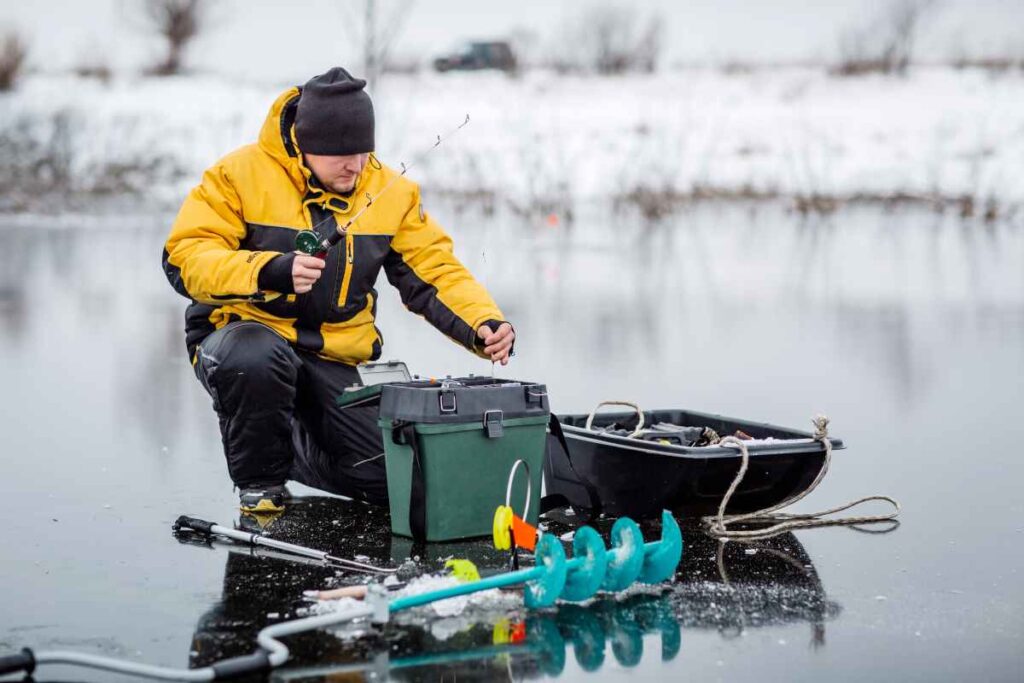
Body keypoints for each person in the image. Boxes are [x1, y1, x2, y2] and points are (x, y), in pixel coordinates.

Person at [162, 67, 514, 514]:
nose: (355, 165)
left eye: (363, 152)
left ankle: (293, 446)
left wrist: (482, 323)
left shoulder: (389, 191)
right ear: (305, 145)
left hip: (335, 356)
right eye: (339, 155)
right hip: (243, 339)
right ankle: (261, 484)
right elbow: (184, 259)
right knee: (255, 359)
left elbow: (436, 269)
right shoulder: (237, 175)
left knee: (399, 481)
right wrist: (268, 270)